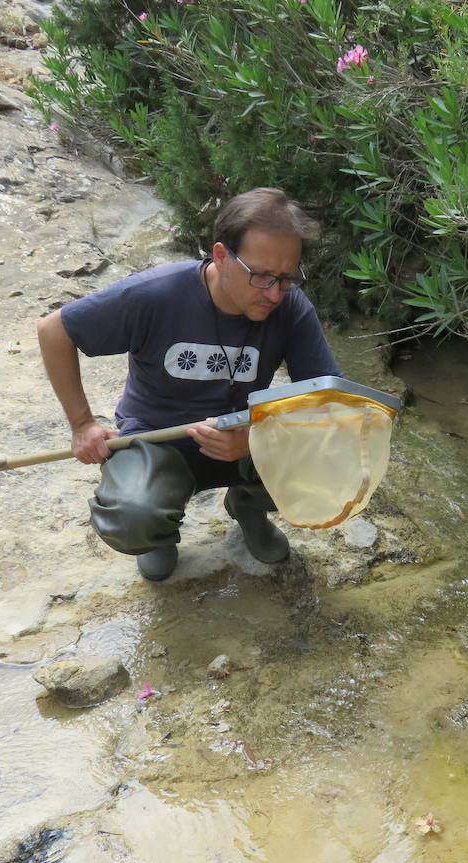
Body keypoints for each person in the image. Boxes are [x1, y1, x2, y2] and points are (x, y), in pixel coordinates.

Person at [37, 188, 340, 581]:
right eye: (261, 276)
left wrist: (258, 440)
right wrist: (82, 424)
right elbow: (54, 330)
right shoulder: (156, 294)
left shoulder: (291, 306)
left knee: (329, 456)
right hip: (158, 440)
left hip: (244, 440)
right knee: (132, 517)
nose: (273, 294)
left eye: (286, 278)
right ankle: (158, 535)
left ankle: (248, 506)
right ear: (221, 256)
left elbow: (328, 401)